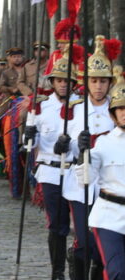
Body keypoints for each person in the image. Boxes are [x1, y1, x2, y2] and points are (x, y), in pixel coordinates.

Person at [24, 45, 82, 280]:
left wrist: (73, 146)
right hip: (50, 171)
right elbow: (30, 144)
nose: (63, 84)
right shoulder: (41, 106)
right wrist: (28, 135)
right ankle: (57, 271)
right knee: (56, 225)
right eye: (58, 80)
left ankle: (78, 264)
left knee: (81, 226)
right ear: (52, 81)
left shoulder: (83, 107)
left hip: (77, 171)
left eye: (67, 80)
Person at [64, 35, 120, 279]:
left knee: (101, 250)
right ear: (86, 83)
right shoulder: (75, 110)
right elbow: (64, 150)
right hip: (81, 184)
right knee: (85, 242)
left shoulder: (119, 108)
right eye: (94, 81)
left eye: (103, 81)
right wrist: (77, 146)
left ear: (110, 83)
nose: (98, 86)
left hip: (111, 186)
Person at [75, 65, 125, 280]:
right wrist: (83, 153)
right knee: (117, 272)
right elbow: (86, 178)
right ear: (113, 114)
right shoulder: (103, 142)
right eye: (120, 108)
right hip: (109, 216)